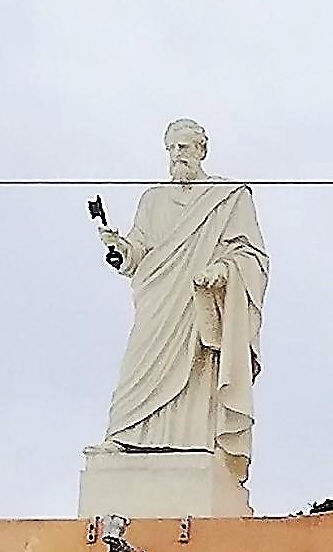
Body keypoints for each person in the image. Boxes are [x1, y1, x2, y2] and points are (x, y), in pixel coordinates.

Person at [97, 117, 267, 474]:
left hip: (201, 303)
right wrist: (122, 250)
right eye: (172, 149)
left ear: (201, 150)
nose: (177, 155)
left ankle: (196, 443)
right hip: (159, 300)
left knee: (197, 371)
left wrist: (222, 271)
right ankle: (126, 432)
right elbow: (140, 249)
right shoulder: (152, 199)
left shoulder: (228, 196)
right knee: (138, 363)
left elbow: (250, 255)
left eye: (185, 148)